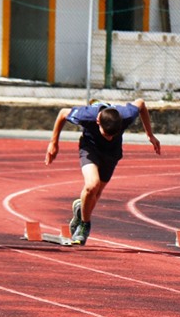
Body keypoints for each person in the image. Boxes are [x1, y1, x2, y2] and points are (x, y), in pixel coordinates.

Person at [45, 99, 160, 246]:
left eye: (113, 135)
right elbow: (62, 114)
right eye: (106, 135)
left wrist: (150, 135)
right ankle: (84, 226)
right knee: (92, 185)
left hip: (112, 154)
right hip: (90, 148)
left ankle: (81, 208)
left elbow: (141, 104)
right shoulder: (87, 115)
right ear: (98, 121)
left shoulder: (126, 115)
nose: (110, 138)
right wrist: (53, 142)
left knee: (96, 193)